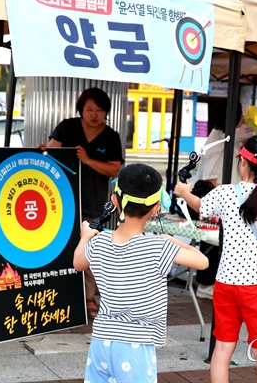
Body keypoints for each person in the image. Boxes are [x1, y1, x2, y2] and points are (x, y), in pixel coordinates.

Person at [174, 135, 257, 383]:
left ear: (242, 163)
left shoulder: (224, 193)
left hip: (227, 283)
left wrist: (185, 192)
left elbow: (200, 206)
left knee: (222, 350)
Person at [74, 163, 209, 382]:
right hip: (136, 345)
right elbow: (202, 261)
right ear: (156, 207)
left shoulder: (99, 241)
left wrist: (85, 237)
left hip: (101, 340)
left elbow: (78, 263)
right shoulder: (158, 246)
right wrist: (169, 239)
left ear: (115, 201)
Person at [43, 87, 124, 319]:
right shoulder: (67, 126)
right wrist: (43, 151)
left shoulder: (111, 136)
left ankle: (89, 296)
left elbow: (114, 168)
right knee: (60, 246)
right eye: (89, 109)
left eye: (99, 110)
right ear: (81, 109)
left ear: (106, 112)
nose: (94, 114)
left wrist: (88, 160)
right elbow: (50, 152)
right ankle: (59, 294)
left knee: (91, 250)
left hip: (93, 201)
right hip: (60, 198)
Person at [195, 100, 255, 299]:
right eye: (241, 113)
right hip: (219, 203)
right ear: (234, 115)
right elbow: (209, 179)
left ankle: (215, 282)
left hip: (229, 200)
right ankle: (205, 285)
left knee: (222, 245)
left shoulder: (227, 136)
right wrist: (218, 205)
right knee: (212, 244)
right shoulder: (217, 141)